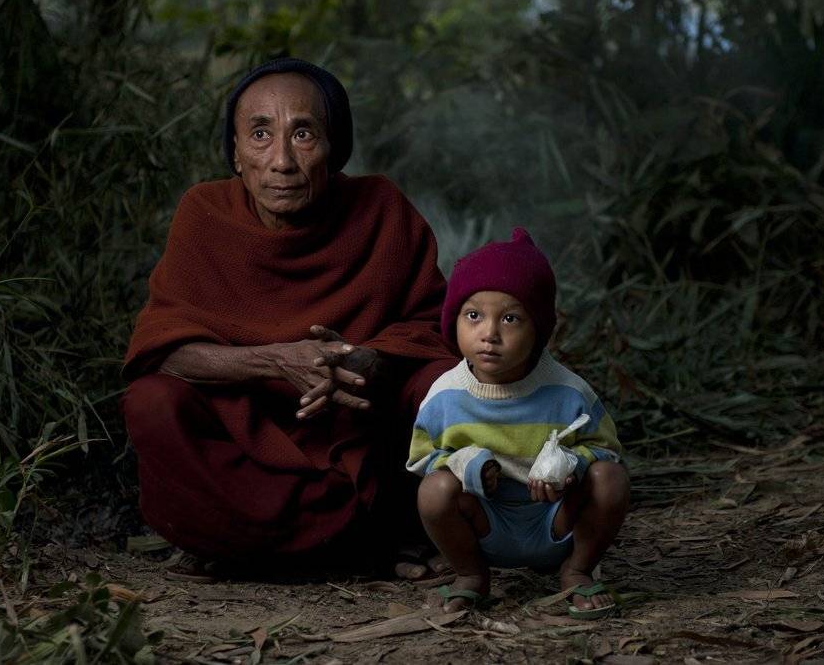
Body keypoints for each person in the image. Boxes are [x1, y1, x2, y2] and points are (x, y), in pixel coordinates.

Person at [121, 57, 456, 579]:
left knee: (437, 385)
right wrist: (276, 361)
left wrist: (369, 359)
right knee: (151, 402)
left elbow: (431, 331)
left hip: (354, 433)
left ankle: (251, 546)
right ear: (235, 153)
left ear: (334, 148)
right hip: (246, 433)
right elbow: (166, 350)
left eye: (303, 133)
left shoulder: (380, 208)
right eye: (259, 134)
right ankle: (359, 545)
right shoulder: (204, 214)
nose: (281, 160)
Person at [407, 228, 630, 618]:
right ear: (453, 320)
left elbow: (607, 449)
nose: (489, 334)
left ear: (539, 329)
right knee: (433, 490)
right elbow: (423, 458)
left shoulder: (568, 392)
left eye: (510, 318)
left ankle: (576, 569)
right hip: (484, 522)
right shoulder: (444, 396)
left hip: (556, 520)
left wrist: (571, 466)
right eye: (473, 315)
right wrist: (466, 465)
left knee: (610, 477)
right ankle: (471, 576)